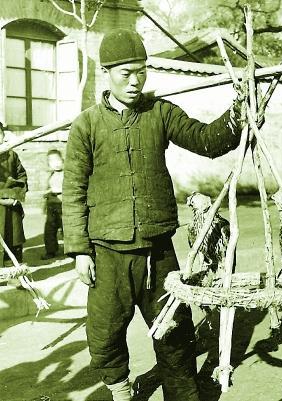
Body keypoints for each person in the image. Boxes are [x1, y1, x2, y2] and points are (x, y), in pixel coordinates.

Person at [62, 29, 244, 401]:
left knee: (175, 332)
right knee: (106, 333)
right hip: (107, 251)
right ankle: (120, 390)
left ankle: (183, 396)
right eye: (125, 73)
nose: (134, 81)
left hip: (158, 250)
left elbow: (207, 141)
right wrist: (80, 251)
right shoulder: (87, 125)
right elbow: (73, 191)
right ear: (106, 72)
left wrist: (241, 108)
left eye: (141, 72)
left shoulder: (160, 113)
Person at [0, 122, 28, 266]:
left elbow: (22, 176)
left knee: (14, 237)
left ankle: (15, 272)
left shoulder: (12, 155)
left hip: (12, 206)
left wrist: (14, 195)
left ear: (3, 136)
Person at [42, 149, 64, 259]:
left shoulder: (67, 174)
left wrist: (57, 190)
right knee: (49, 229)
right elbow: (46, 190)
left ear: (62, 161)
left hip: (64, 206)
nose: (55, 163)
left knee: (66, 228)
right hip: (52, 206)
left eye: (57, 160)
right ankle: (51, 250)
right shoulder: (50, 175)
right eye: (51, 161)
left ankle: (72, 250)